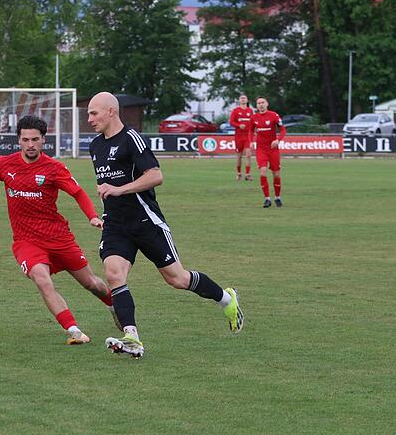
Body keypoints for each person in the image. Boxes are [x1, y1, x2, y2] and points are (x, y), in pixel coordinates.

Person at [87, 92, 243, 359]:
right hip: (116, 224)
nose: (89, 119)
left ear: (111, 111)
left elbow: (156, 175)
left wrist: (119, 190)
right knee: (114, 274)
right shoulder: (95, 146)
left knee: (177, 279)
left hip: (146, 221)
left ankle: (227, 299)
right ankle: (131, 337)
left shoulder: (132, 139)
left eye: (94, 113)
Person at [0, 115, 118, 345]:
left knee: (92, 284)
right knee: (42, 279)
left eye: (35, 139)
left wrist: (92, 216)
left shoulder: (54, 168)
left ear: (43, 140)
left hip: (59, 237)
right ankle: (73, 330)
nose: (30, 144)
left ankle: (113, 305)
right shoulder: (5, 164)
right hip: (26, 241)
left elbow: (78, 193)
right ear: (19, 141)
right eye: (25, 139)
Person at [249, 97, 286, 207]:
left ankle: (278, 197)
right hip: (261, 149)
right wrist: (251, 141)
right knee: (263, 172)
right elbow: (250, 131)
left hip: (273, 149)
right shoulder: (254, 117)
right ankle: (267, 199)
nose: (261, 105)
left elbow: (283, 130)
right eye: (258, 103)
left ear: (267, 104)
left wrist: (277, 140)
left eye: (262, 102)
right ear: (257, 105)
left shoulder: (274, 115)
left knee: (276, 174)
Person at [229, 94, 254, 180]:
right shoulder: (235, 111)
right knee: (239, 156)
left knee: (248, 155)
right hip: (239, 136)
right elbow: (231, 122)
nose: (243, 100)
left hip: (248, 136)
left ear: (247, 100)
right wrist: (239, 125)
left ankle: (248, 174)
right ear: (239, 101)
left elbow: (253, 122)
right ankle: (239, 173)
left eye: (244, 98)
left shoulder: (250, 110)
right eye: (241, 98)